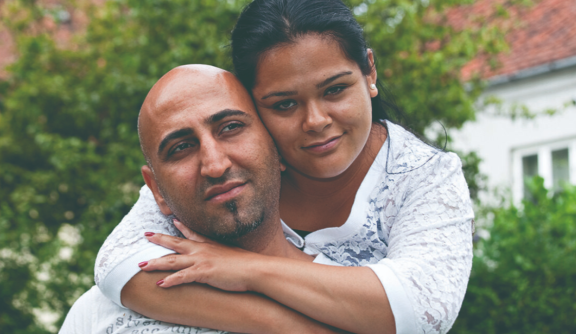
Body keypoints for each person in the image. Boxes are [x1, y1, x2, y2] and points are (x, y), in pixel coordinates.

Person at [95, 0, 475, 333]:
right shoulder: (234, 163)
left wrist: (242, 268)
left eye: (334, 90)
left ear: (369, 71)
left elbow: (420, 309)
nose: (315, 121)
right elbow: (120, 265)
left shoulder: (426, 176)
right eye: (283, 104)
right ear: (251, 106)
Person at [61, 64, 341, 334]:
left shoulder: (356, 293)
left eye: (230, 128)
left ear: (277, 147)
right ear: (156, 190)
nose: (215, 165)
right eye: (181, 147)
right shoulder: (97, 314)